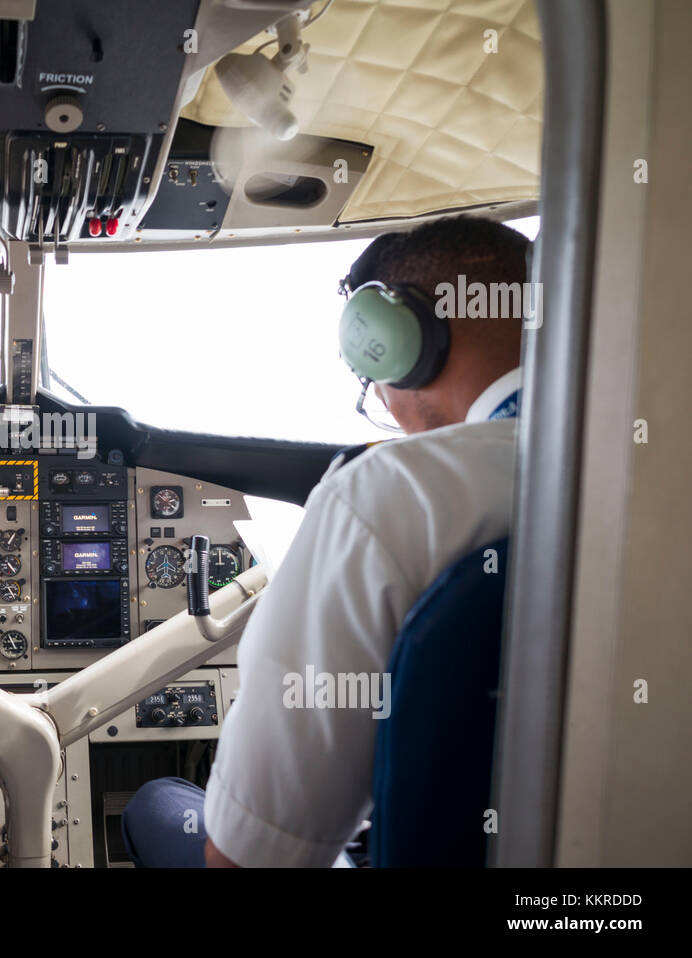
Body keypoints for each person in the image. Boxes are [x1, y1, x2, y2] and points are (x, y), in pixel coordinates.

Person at [121, 215, 530, 867]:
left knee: (160, 804)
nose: (387, 408)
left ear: (400, 345)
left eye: (372, 380)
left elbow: (247, 860)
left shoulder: (390, 498)